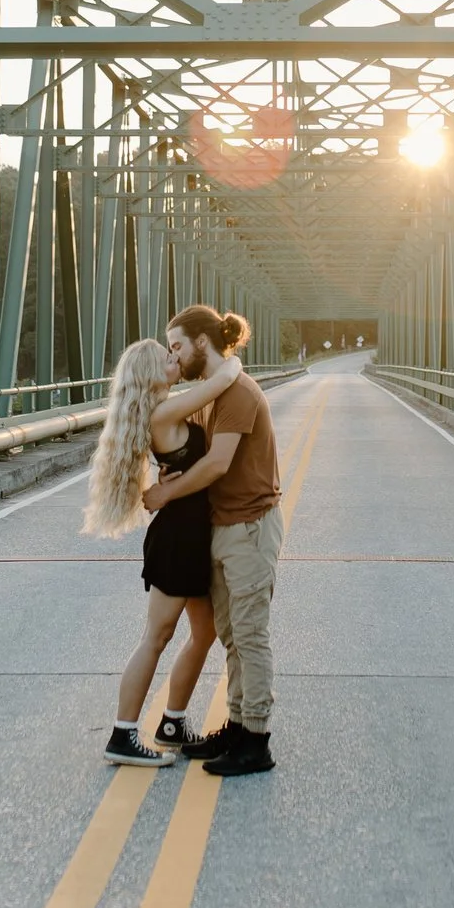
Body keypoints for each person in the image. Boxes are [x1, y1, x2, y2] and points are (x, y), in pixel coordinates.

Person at [82, 336, 243, 766]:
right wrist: (229, 355)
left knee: (204, 633)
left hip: (189, 535)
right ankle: (122, 735)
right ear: (150, 374)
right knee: (156, 636)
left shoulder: (164, 410)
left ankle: (172, 722)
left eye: (175, 352)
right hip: (177, 539)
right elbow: (223, 379)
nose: (175, 359)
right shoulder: (164, 412)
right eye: (167, 357)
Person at [144, 304, 280, 777]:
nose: (174, 357)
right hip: (222, 527)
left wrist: (165, 494)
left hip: (250, 526)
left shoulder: (238, 392)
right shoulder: (208, 393)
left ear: (202, 342)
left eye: (177, 345)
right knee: (232, 637)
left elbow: (218, 464)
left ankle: (256, 740)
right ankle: (238, 724)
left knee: (250, 636)